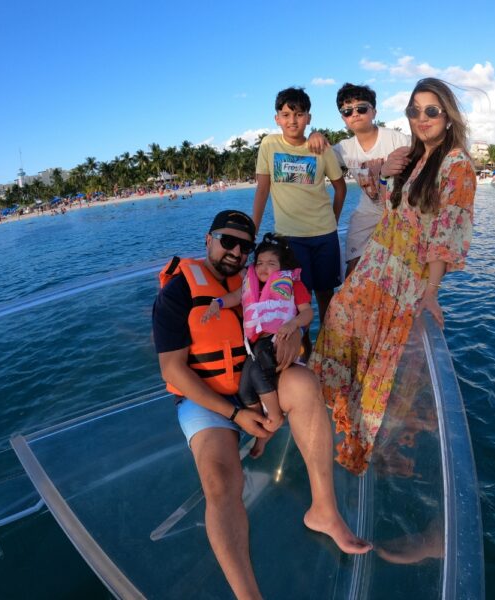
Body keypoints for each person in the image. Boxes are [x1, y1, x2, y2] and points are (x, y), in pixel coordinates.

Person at [152, 209, 371, 600]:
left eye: (245, 246)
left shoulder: (263, 279)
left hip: (259, 380)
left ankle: (324, 510)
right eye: (227, 240)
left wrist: (299, 337)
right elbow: (173, 369)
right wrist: (235, 413)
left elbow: (291, 322)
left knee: (304, 383)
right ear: (208, 239)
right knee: (220, 482)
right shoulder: (178, 293)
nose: (236, 251)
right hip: (209, 401)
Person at [309, 78, 476, 475]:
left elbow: (447, 232)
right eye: (415, 111)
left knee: (382, 363)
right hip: (375, 267)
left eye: (431, 111)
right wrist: (385, 170)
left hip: (403, 280)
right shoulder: (413, 156)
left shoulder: (456, 164)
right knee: (337, 324)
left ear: (448, 116)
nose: (422, 118)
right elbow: (385, 201)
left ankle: (370, 447)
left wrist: (431, 293)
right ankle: (336, 421)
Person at [201, 232, 313, 448]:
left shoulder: (292, 284)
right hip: (255, 346)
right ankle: (262, 427)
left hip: (276, 339)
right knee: (244, 388)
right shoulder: (248, 284)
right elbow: (235, 297)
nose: (263, 267)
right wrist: (218, 303)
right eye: (260, 262)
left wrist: (293, 324)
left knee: (255, 371)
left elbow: (308, 312)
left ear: (282, 267)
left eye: (271, 263)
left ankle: (275, 416)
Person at [252, 87, 346, 325]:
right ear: (277, 118)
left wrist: (332, 222)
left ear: (308, 118)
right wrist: (252, 230)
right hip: (290, 239)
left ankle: (327, 350)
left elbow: (341, 188)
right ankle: (302, 354)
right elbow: (262, 190)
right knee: (293, 300)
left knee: (326, 295)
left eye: (299, 114)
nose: (292, 120)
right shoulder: (268, 145)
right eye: (285, 115)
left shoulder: (320, 147)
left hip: (324, 235)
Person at [332, 83, 411, 276]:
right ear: (343, 118)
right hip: (367, 212)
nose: (355, 114)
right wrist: (315, 136)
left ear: (374, 112)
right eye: (347, 111)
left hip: (400, 212)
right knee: (353, 267)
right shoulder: (343, 148)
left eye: (361, 108)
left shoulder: (396, 140)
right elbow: (316, 158)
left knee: (399, 271)